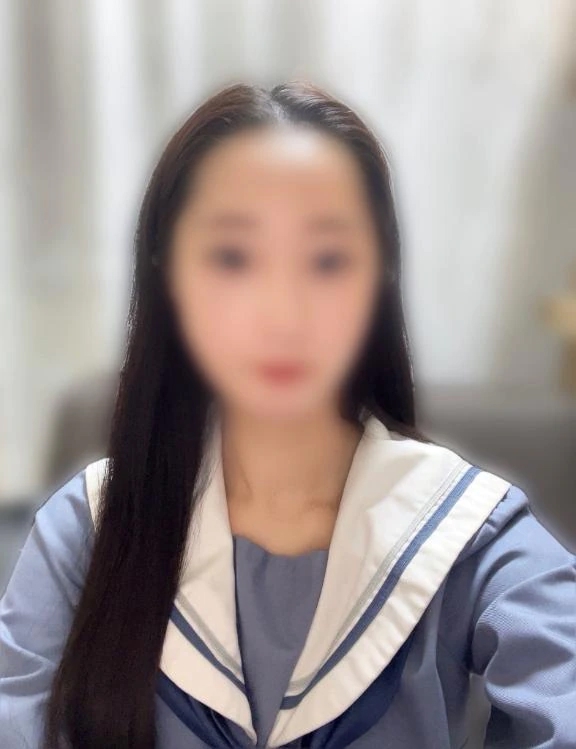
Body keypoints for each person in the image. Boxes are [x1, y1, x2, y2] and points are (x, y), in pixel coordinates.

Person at [1, 80, 574, 749]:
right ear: (167, 273)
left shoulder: (470, 532)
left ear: (381, 275)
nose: (283, 313)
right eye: (232, 257)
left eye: (328, 260)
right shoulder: (89, 530)